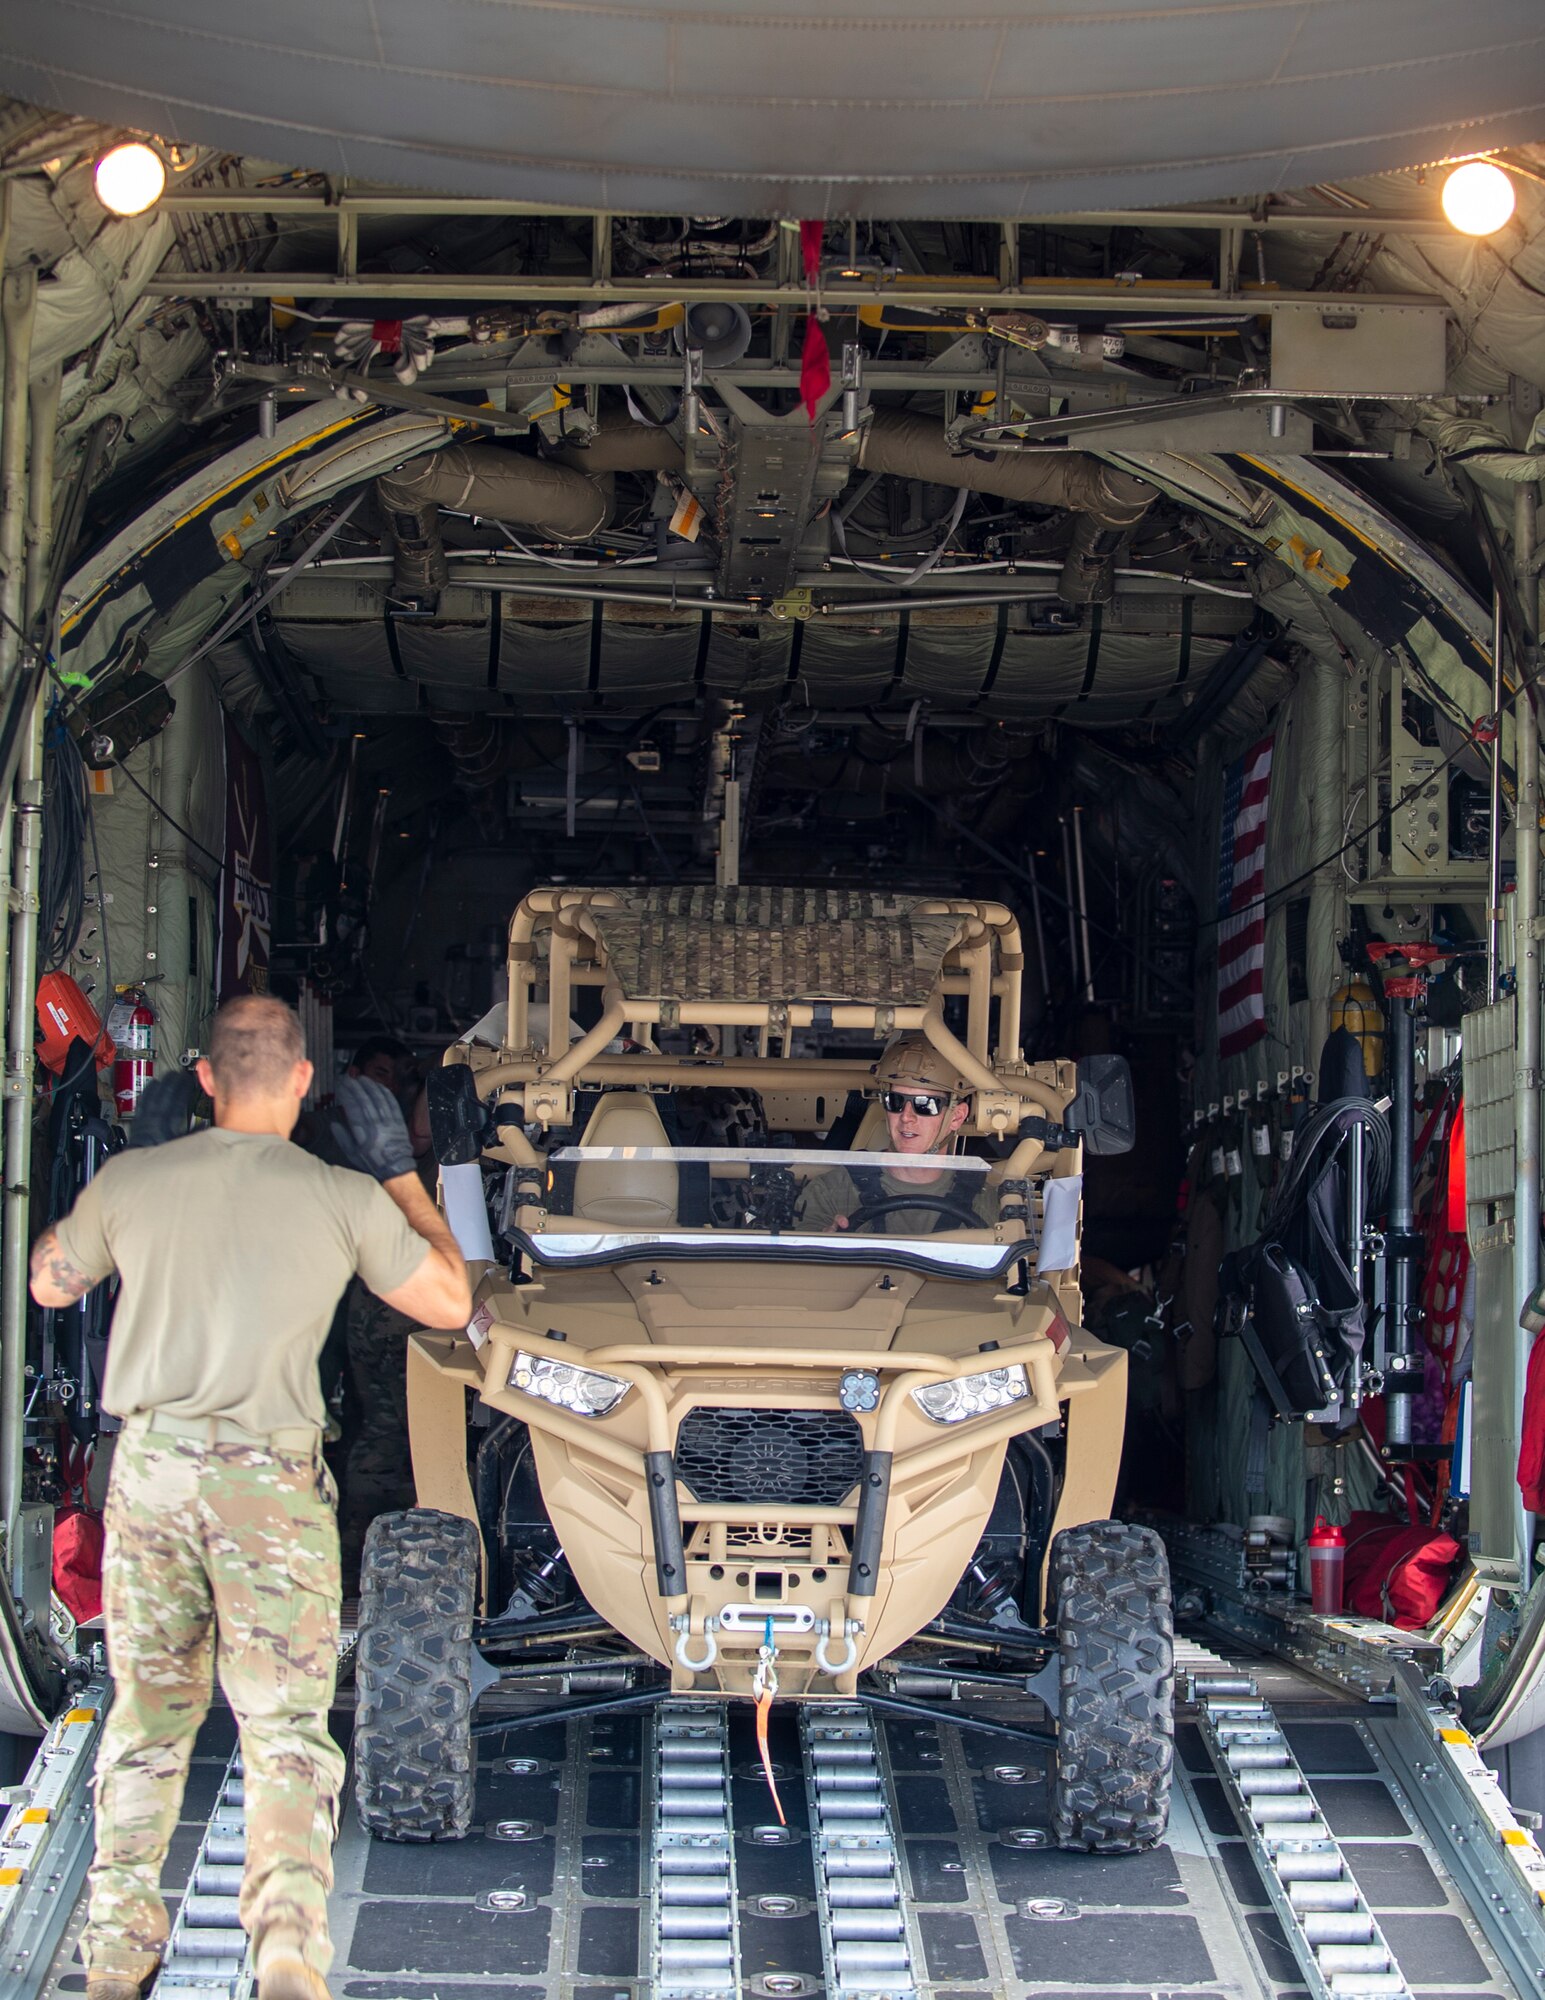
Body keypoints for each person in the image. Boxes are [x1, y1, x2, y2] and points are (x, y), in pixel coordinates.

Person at [27, 994, 472, 2000]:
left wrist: (131, 1167)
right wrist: (399, 1175)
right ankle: (282, 1953)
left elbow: (50, 1281)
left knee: (144, 1724)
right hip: (269, 1486)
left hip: (154, 1475)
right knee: (283, 1730)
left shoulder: (137, 1181)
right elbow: (454, 1301)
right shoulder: (338, 1192)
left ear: (208, 1077)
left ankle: (115, 1961)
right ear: (306, 1083)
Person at [798, 1034, 995, 1235]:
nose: (906, 1117)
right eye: (895, 1101)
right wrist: (824, 1244)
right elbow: (799, 1259)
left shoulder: (983, 1200)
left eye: (925, 1104)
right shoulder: (832, 1192)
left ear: (957, 1117)